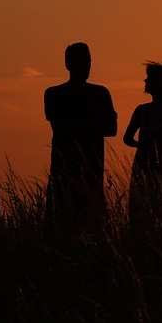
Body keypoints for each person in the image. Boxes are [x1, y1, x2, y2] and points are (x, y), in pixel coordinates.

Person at [44, 42, 117, 233]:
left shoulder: (101, 93)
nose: (85, 66)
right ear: (67, 64)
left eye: (88, 61)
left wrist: (78, 122)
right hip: (63, 171)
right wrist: (92, 122)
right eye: (80, 61)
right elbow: (60, 124)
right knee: (59, 226)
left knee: (92, 228)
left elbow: (111, 128)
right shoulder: (54, 93)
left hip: (92, 173)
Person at [123, 61, 162, 227]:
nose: (145, 82)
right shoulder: (141, 110)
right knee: (139, 223)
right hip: (142, 172)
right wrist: (143, 147)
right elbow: (127, 138)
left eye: (150, 79)